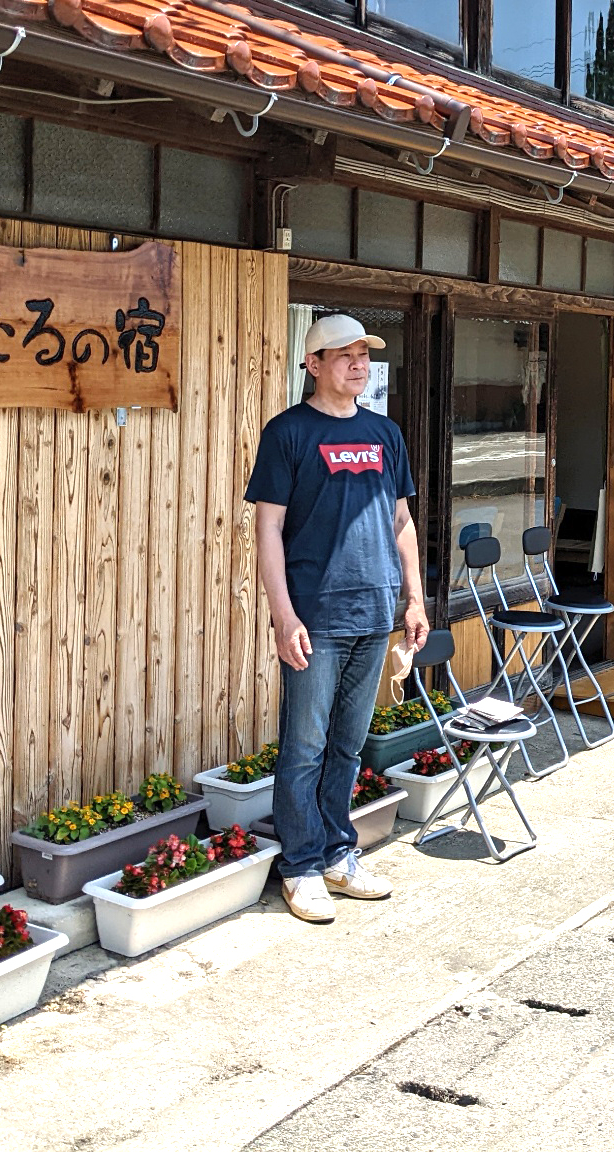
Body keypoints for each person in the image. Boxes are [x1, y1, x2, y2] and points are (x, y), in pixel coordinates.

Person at [246, 313, 428, 923]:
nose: (358, 363)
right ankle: (299, 865)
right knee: (303, 746)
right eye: (342, 353)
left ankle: (336, 854)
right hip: (315, 615)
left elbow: (402, 523)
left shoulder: (385, 433)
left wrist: (415, 599)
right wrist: (282, 614)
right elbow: (267, 528)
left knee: (348, 746)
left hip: (374, 609)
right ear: (312, 364)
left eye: (364, 353)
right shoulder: (288, 433)